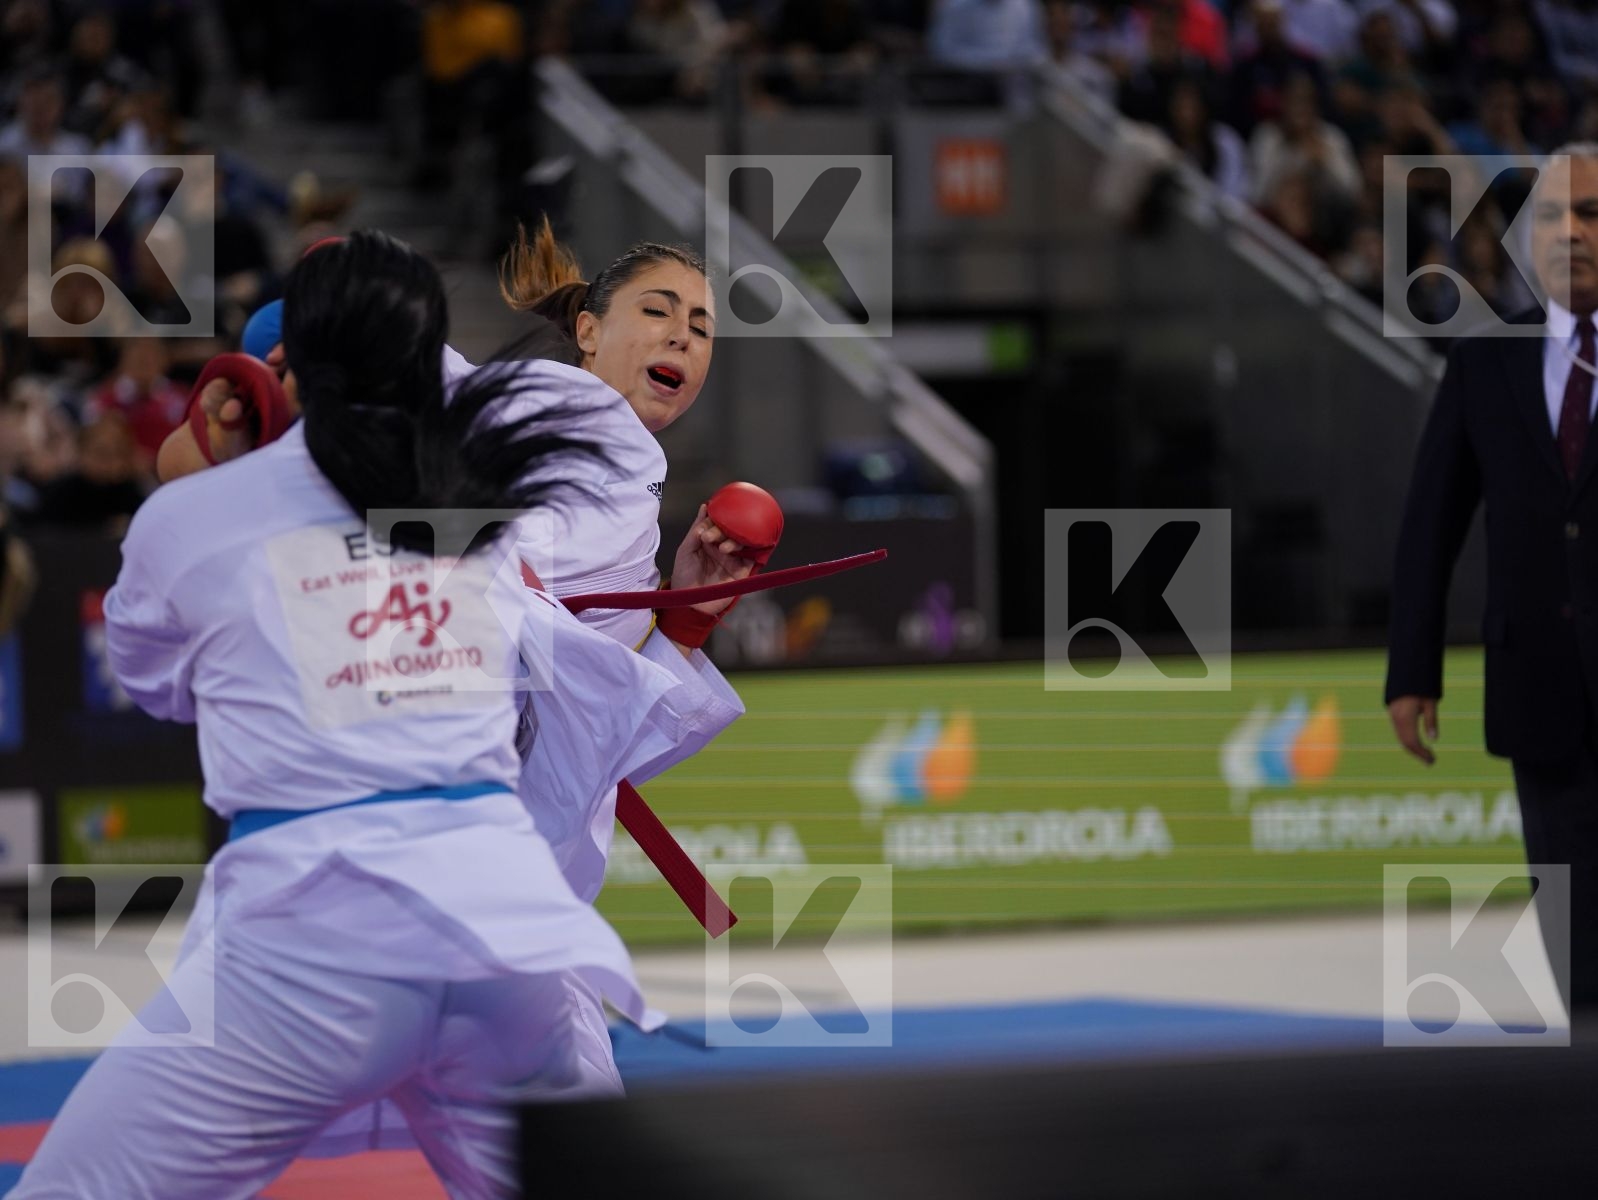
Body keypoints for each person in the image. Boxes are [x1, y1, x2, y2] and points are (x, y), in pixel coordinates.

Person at [9, 230, 743, 1200]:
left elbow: (159, 683)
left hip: (318, 940)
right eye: (660, 310)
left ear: (286, 366)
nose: (682, 337)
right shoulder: (490, 495)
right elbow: (580, 708)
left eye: (700, 324)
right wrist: (677, 635)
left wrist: (212, 488)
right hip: (500, 935)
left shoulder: (224, 513)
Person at [1386, 145, 1598, 1022]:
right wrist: (1412, 673)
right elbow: (1429, 528)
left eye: (1590, 215)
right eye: (1550, 217)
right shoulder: (1482, 364)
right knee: (1576, 954)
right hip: (1539, 688)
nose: (1571, 233)